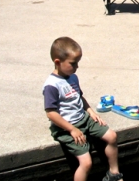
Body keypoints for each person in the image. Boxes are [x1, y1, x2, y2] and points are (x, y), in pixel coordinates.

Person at [43, 37, 123, 181]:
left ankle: (114, 173)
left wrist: (90, 111)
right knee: (86, 162)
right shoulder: (52, 85)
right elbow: (51, 113)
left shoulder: (72, 77)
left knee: (112, 136)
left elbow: (79, 97)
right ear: (57, 62)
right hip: (67, 127)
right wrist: (72, 129)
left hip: (83, 118)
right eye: (73, 64)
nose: (77, 67)